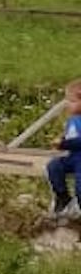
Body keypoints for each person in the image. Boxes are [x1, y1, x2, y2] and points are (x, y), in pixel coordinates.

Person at [44, 79, 81, 222]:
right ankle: (62, 196)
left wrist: (63, 144)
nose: (68, 105)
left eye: (72, 101)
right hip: (73, 156)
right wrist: (60, 139)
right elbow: (69, 134)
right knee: (54, 166)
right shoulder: (72, 119)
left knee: (80, 186)